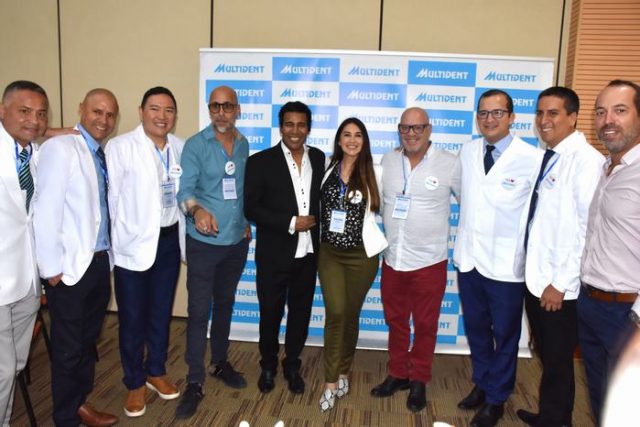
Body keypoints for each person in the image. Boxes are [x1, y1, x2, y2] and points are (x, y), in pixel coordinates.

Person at [454, 89, 542, 427]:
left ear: (512, 117)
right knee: (476, 329)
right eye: (483, 113)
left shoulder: (531, 158)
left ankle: (496, 398)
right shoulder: (468, 151)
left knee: (505, 335)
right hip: (470, 261)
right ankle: (482, 382)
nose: (489, 119)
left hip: (506, 267)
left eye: (497, 113)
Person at [517, 87, 604, 427]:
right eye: (540, 113)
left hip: (558, 287)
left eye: (553, 113)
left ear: (573, 117)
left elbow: (586, 230)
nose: (543, 120)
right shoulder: (552, 155)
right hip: (538, 278)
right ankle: (553, 416)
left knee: (557, 360)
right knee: (550, 357)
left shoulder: (586, 162)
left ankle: (556, 420)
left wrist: (561, 283)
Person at [33, 88, 120, 427]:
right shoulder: (61, 148)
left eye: (110, 114)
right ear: (81, 109)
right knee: (69, 349)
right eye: (97, 111)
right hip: (69, 270)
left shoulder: (99, 153)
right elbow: (46, 209)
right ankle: (65, 418)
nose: (104, 120)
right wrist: (50, 269)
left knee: (87, 342)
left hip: (97, 262)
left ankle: (80, 403)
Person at [370, 107, 459, 412]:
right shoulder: (388, 160)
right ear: (399, 130)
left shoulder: (449, 163)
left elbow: (471, 203)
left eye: (417, 127)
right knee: (395, 321)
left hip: (429, 262)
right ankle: (398, 373)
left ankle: (419, 379)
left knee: (425, 324)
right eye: (405, 128)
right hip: (394, 258)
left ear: (429, 129)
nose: (411, 134)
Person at [105, 87, 185, 417]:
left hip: (168, 241)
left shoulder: (180, 147)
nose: (162, 116)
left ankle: (155, 370)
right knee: (132, 317)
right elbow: (112, 200)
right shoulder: (120, 147)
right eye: (154, 108)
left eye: (168, 110)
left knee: (161, 312)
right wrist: (116, 244)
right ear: (141, 111)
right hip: (134, 245)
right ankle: (134, 381)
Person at [175, 85, 251, 419]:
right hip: (203, 244)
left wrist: (245, 221)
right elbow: (185, 192)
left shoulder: (244, 144)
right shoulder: (195, 145)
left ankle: (219, 362)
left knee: (225, 305)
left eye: (227, 106)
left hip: (235, 243)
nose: (221, 112)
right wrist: (197, 211)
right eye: (215, 106)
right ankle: (194, 380)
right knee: (197, 311)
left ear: (237, 110)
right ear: (209, 109)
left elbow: (242, 190)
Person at [244, 101, 325, 395]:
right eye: (289, 124)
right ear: (281, 127)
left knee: (301, 313)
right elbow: (251, 208)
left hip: (308, 254)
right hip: (274, 254)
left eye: (301, 125)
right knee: (270, 313)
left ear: (308, 128)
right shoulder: (260, 161)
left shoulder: (319, 157)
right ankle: (268, 365)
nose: (295, 130)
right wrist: (291, 222)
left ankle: (292, 364)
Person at [579, 79, 640, 424]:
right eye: (601, 112)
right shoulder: (605, 168)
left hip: (627, 313)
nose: (608, 120)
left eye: (620, 110)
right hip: (591, 303)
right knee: (600, 397)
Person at [317, 117, 387, 412]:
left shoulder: (376, 172)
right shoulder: (326, 169)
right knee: (336, 312)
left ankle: (344, 369)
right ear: (339, 140)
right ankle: (330, 381)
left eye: (358, 135)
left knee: (350, 315)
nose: (352, 140)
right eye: (346, 134)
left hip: (362, 256)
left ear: (364, 141)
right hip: (330, 254)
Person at [0, 80, 48, 425]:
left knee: (15, 364)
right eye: (25, 111)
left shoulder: (35, 154)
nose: (34, 120)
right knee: (3, 371)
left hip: (27, 280)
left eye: (41, 114)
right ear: (2, 111)